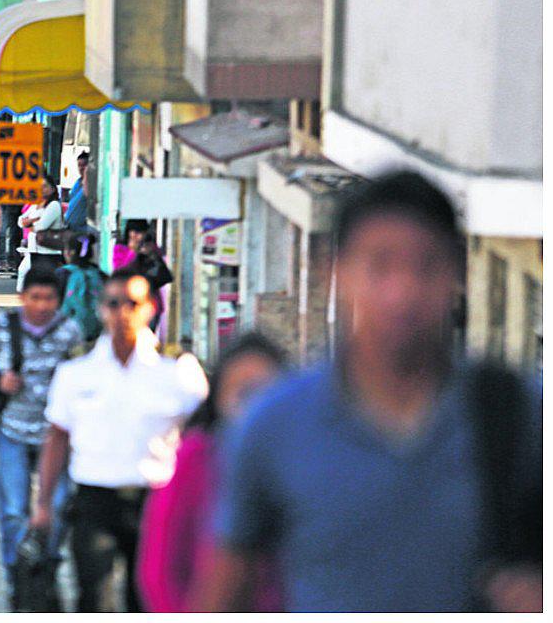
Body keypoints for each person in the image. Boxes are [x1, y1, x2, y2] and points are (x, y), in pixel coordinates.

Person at [198, 171, 542, 613]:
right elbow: (224, 592)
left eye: (426, 265)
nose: (403, 292)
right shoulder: (275, 426)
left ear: (457, 274)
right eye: (379, 265)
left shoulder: (518, 414)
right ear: (335, 271)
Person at [31, 268, 208, 612]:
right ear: (101, 309)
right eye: (113, 303)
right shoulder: (76, 371)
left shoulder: (177, 370)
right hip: (95, 499)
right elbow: (57, 437)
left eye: (132, 303)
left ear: (150, 308)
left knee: (148, 599)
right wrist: (43, 505)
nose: (122, 312)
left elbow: (205, 439)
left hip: (157, 501)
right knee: (95, 598)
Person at [135, 333, 288, 613]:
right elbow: (159, 569)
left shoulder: (303, 464)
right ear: (218, 396)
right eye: (243, 391)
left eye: (266, 393)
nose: (254, 406)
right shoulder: (197, 459)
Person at [0, 268, 86, 608]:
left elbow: (80, 375)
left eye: (49, 298)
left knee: (60, 506)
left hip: (56, 436)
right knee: (14, 510)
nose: (42, 305)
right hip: (14, 431)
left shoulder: (68, 332)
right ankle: (17, 574)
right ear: (23, 298)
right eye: (35, 297)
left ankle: (43, 564)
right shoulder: (4, 327)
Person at [112, 219, 174, 330]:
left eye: (139, 232)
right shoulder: (120, 248)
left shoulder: (150, 248)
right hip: (128, 302)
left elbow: (163, 274)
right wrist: (134, 252)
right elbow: (120, 270)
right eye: (133, 231)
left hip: (150, 303)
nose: (136, 235)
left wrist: (151, 254)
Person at [16, 178, 64, 289]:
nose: (41, 189)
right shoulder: (36, 204)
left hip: (48, 251)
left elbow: (41, 227)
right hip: (33, 249)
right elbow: (20, 221)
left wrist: (29, 223)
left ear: (52, 189)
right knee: (23, 273)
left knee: (42, 282)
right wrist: (33, 220)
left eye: (45, 186)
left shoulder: (54, 205)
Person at [58, 233, 105, 344]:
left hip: (68, 333)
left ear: (70, 252)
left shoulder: (62, 274)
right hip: (97, 334)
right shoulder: (99, 274)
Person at [65, 152, 91, 233]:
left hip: (82, 229)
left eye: (84, 165)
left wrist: (87, 174)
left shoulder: (90, 183)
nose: (81, 168)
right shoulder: (77, 182)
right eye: (79, 165)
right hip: (70, 227)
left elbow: (87, 194)